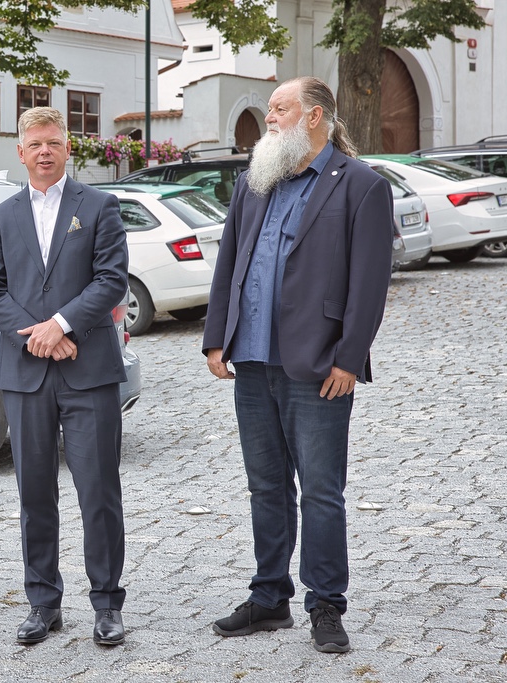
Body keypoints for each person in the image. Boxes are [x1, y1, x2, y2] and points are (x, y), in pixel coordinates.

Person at [202, 77, 394, 653]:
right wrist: (218, 338)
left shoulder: (361, 185)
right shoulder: (254, 183)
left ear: (314, 117)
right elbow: (230, 262)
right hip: (253, 360)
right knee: (266, 487)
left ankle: (327, 604)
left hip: (319, 365)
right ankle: (269, 598)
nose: (270, 117)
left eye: (280, 108)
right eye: (270, 109)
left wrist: (350, 359)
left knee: (320, 490)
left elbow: (370, 283)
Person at [0, 107, 130, 646]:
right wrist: (36, 333)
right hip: (26, 374)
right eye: (35, 143)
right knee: (34, 495)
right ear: (20, 152)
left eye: (54, 143)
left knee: (98, 492)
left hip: (88, 371)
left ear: (69, 149)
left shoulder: (100, 206)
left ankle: (107, 604)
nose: (45, 151)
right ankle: (43, 603)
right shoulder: (2, 216)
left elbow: (112, 279)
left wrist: (61, 324)